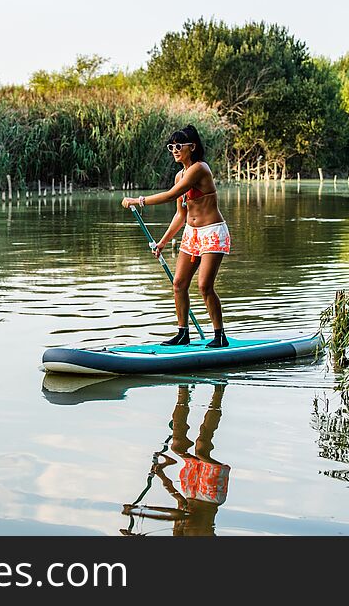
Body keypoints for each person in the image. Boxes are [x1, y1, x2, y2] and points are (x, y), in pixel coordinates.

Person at [121, 124, 230, 348]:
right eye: (171, 146)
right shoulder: (180, 174)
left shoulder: (200, 169)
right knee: (179, 283)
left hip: (212, 233)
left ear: (192, 147)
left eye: (179, 146)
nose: (174, 150)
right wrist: (162, 242)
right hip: (192, 235)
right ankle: (183, 333)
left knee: (204, 286)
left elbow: (171, 196)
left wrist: (138, 200)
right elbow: (181, 215)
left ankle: (220, 336)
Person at [120, 383, 230, 536]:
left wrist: (161, 474)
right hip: (210, 497)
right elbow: (180, 515)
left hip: (190, 493)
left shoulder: (179, 534)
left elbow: (179, 501)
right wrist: (139, 512)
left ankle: (182, 390)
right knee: (201, 448)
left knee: (177, 447)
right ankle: (218, 392)